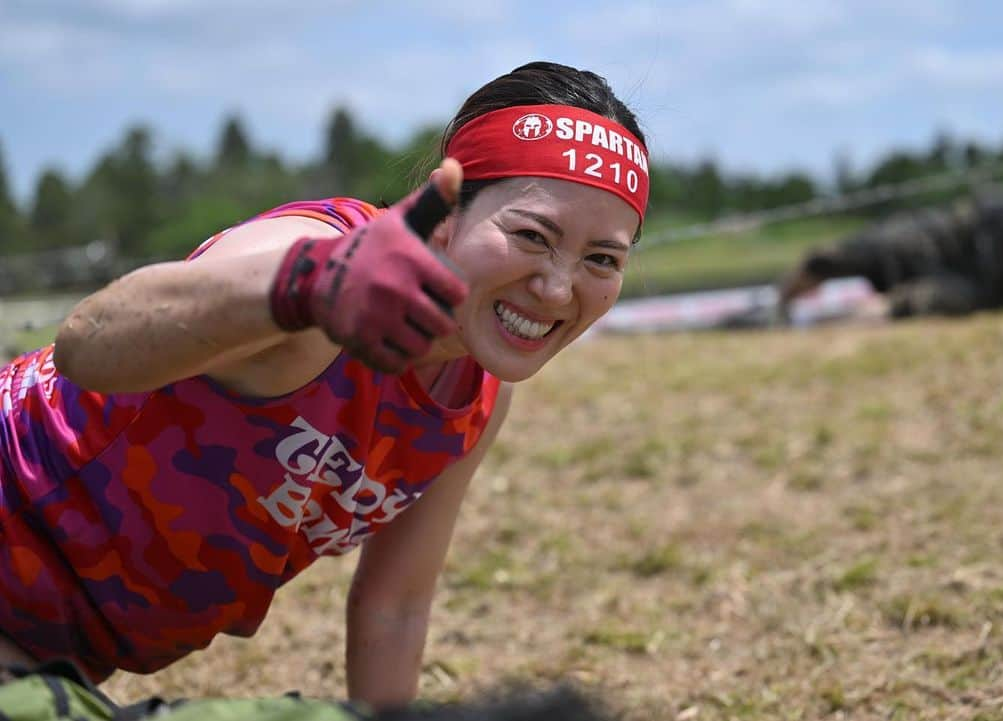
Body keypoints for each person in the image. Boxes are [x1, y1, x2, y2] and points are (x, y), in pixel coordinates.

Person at [0, 61, 649, 710]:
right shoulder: (321, 254)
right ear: (448, 209)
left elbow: (394, 606)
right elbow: (88, 343)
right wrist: (308, 285)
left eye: (602, 259)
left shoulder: (476, 392)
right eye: (532, 235)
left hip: (44, 660)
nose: (559, 288)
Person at [777, 187, 1003, 326]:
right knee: (882, 248)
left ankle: (879, 309)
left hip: (995, 289)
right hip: (981, 232)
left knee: (921, 301)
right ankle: (800, 285)